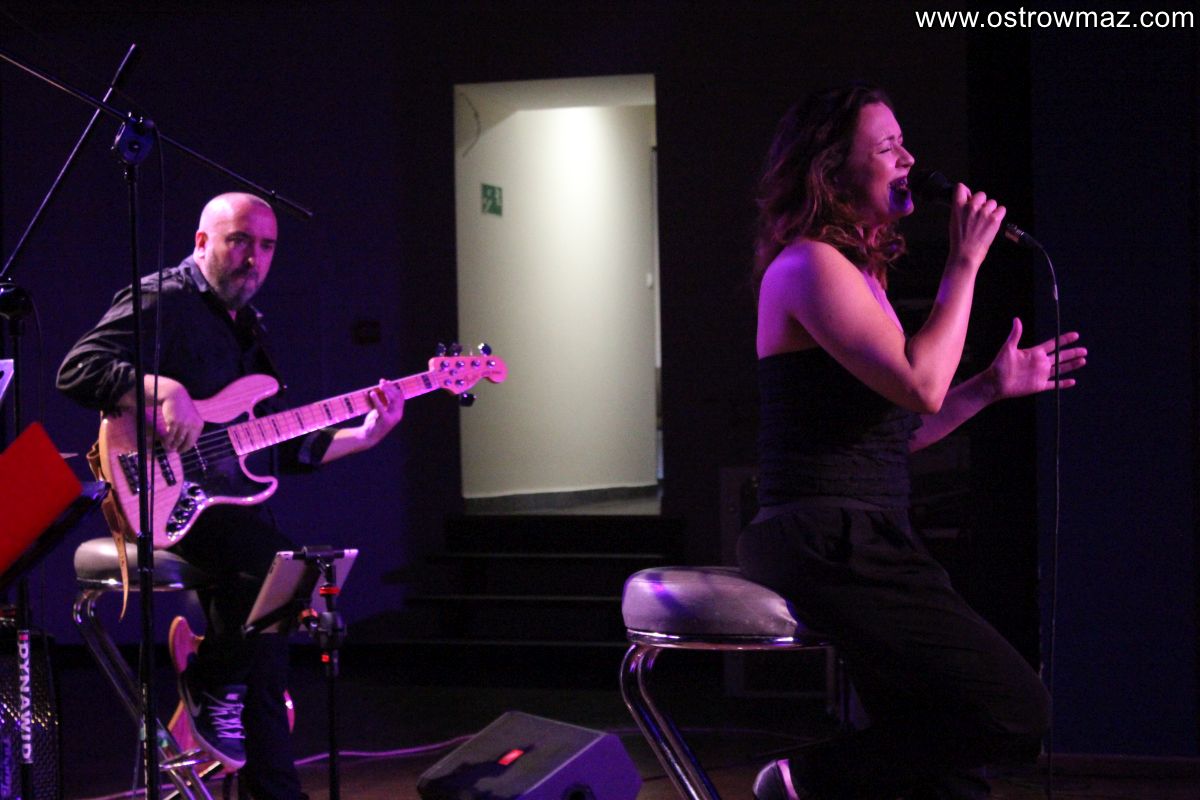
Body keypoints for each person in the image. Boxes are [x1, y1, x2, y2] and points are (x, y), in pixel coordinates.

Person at [738, 85, 1087, 799]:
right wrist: (964, 264)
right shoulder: (808, 266)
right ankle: (802, 781)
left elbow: (895, 435)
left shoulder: (859, 274)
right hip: (824, 538)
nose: (909, 160)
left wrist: (988, 388)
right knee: (1014, 707)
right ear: (831, 171)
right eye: (887, 147)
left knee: (944, 760)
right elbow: (922, 384)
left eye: (904, 143)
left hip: (864, 531)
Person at [57, 192, 404, 799]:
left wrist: (365, 435)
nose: (253, 258)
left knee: (268, 656)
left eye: (266, 246)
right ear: (201, 242)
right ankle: (209, 680)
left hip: (225, 508)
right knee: (277, 568)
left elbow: (275, 444)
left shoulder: (248, 327)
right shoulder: (163, 298)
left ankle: (269, 778)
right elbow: (79, 369)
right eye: (240, 240)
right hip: (161, 498)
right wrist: (162, 389)